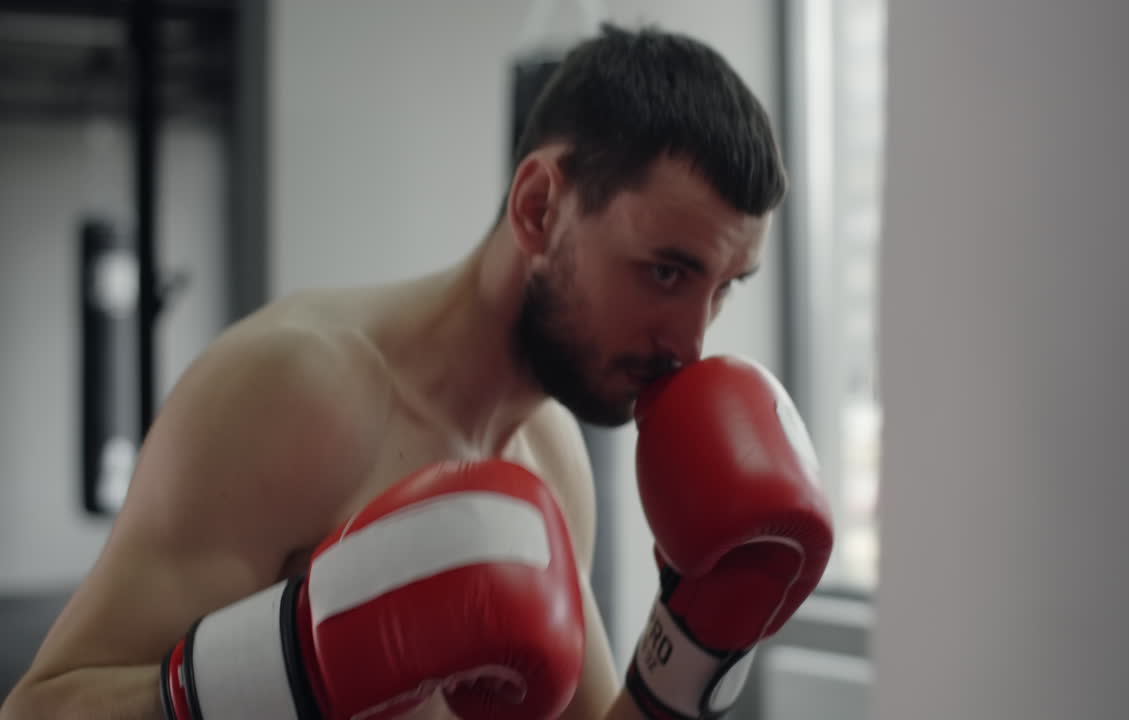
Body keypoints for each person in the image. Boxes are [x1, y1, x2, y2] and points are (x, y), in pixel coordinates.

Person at [0, 24, 831, 720]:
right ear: (539, 207)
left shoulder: (550, 456)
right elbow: (40, 707)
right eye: (665, 272)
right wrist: (295, 665)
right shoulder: (296, 390)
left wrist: (695, 647)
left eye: (724, 290)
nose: (691, 341)